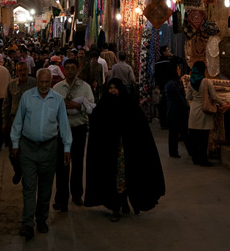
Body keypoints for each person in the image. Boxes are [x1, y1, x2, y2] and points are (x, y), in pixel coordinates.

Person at [84, 78, 165, 222]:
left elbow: (139, 127)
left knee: (125, 177)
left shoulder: (129, 105)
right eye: (110, 88)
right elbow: (97, 124)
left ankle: (124, 202)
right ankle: (116, 207)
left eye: (115, 88)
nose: (113, 91)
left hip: (126, 151)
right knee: (113, 178)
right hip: (109, 153)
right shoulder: (104, 106)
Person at [11, 69, 72, 240]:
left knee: (45, 187)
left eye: (47, 82)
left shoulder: (57, 99)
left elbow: (64, 125)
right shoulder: (27, 97)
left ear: (51, 82)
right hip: (28, 148)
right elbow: (18, 121)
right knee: (29, 187)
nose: (44, 86)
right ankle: (27, 223)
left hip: (49, 149)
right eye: (41, 82)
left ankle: (42, 219)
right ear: (36, 81)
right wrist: (15, 143)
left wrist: (67, 148)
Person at [53, 59, 95, 211]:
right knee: (62, 164)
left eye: (73, 68)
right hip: (62, 130)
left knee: (77, 163)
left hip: (79, 128)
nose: (70, 71)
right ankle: (61, 199)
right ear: (64, 70)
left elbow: (91, 104)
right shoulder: (58, 87)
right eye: (67, 68)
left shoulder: (85, 87)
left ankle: (77, 195)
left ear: (77, 69)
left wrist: (79, 106)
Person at [2, 62, 36, 184]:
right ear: (16, 72)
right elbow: (6, 104)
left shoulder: (34, 84)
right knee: (13, 151)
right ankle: (18, 170)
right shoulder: (11, 85)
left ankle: (28, 173)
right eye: (20, 70)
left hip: (31, 122)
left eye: (24, 70)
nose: (23, 72)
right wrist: (5, 122)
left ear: (28, 70)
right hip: (15, 121)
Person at [186, 60, 218, 167]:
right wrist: (224, 103)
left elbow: (188, 97)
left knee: (194, 137)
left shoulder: (190, 82)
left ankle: (195, 158)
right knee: (203, 138)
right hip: (204, 111)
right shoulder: (207, 81)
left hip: (194, 110)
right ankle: (203, 160)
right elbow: (214, 97)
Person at [164, 58, 192, 159]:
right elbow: (179, 98)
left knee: (179, 131)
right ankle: (175, 151)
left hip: (176, 110)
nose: (179, 70)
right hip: (175, 111)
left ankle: (186, 151)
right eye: (178, 69)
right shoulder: (172, 84)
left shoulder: (173, 82)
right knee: (177, 131)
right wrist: (187, 106)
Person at [154, 46, 173, 128]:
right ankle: (167, 122)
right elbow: (180, 61)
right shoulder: (169, 62)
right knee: (167, 104)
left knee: (163, 104)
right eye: (168, 50)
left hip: (162, 85)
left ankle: (163, 122)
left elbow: (156, 75)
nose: (170, 51)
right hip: (168, 85)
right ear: (164, 52)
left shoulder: (157, 63)